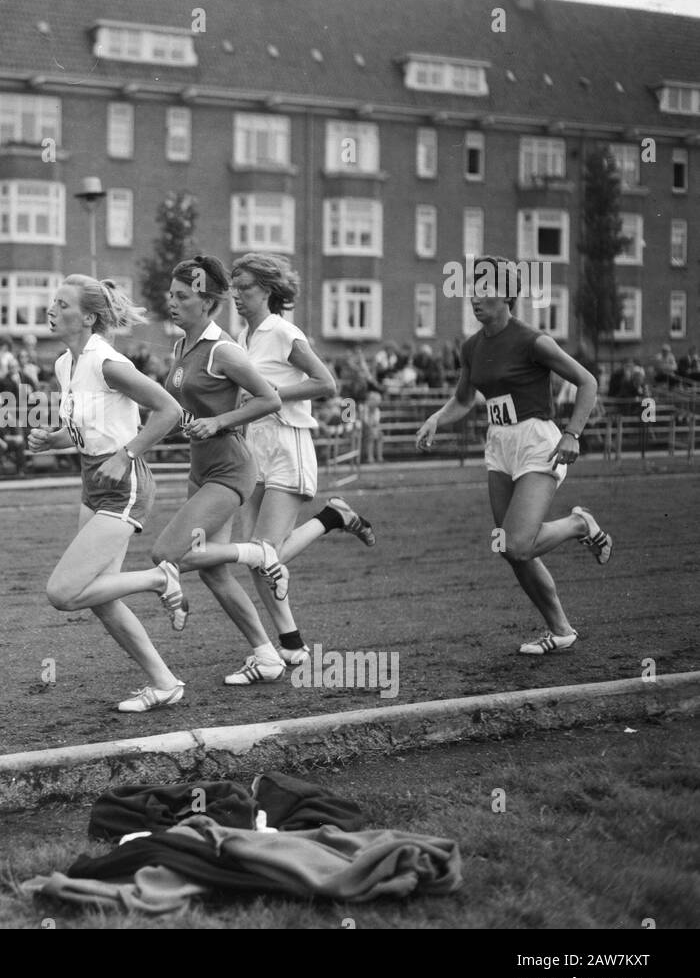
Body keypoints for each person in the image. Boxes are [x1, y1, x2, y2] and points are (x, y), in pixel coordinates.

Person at [415, 256, 612, 656]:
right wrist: (438, 418)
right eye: (471, 289)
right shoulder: (471, 346)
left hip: (539, 441)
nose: (474, 298)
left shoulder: (532, 340)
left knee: (518, 545)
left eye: (484, 290)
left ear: (506, 295)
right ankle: (560, 631)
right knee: (509, 546)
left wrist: (573, 432)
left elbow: (587, 381)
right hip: (500, 444)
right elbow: (464, 399)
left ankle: (578, 524)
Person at [138, 256, 304, 685]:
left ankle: (259, 553)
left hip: (230, 471)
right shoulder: (180, 347)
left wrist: (217, 422)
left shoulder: (223, 349)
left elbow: (268, 398)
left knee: (166, 554)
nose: (171, 303)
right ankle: (267, 657)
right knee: (212, 572)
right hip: (202, 470)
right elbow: (185, 407)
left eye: (182, 296)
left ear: (208, 301)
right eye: (170, 295)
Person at [212, 253, 377, 684]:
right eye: (234, 288)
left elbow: (326, 383)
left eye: (245, 288)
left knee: (263, 553)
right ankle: (291, 645)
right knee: (257, 558)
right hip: (255, 450)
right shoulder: (242, 338)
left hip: (288, 445)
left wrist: (271, 393)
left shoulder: (283, 331)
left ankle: (332, 516)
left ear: (267, 289)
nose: (238, 296)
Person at [27, 275, 187, 714]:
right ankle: (164, 683)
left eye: (62, 304)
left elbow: (169, 410)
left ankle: (160, 579)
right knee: (101, 598)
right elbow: (88, 427)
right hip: (92, 481)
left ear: (89, 317)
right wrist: (55, 439)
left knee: (64, 593)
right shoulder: (66, 363)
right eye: (53, 303)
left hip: (124, 485)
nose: (52, 310)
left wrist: (128, 452)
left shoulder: (107, 362)